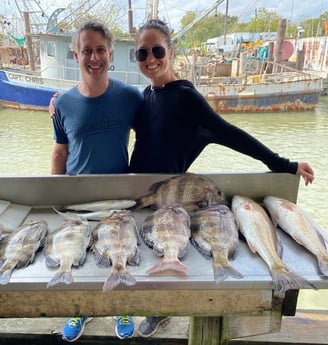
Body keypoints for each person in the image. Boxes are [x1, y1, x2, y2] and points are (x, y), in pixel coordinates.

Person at [129, 19, 314, 338]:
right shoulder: (146, 94)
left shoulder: (187, 97)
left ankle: (160, 309)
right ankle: (149, 303)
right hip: (138, 192)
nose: (150, 59)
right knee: (143, 255)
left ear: (171, 52)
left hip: (171, 197)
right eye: (142, 53)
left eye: (157, 50)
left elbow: (230, 133)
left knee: (168, 254)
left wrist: (283, 163)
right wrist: (59, 106)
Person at [50, 20, 143, 341]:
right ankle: (80, 310)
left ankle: (122, 305)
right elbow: (60, 152)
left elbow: (161, 120)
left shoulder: (131, 97)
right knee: (77, 259)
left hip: (119, 195)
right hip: (77, 196)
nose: (94, 57)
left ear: (110, 53)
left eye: (100, 50)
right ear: (75, 55)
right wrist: (54, 193)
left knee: (119, 253)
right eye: (86, 50)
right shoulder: (62, 104)